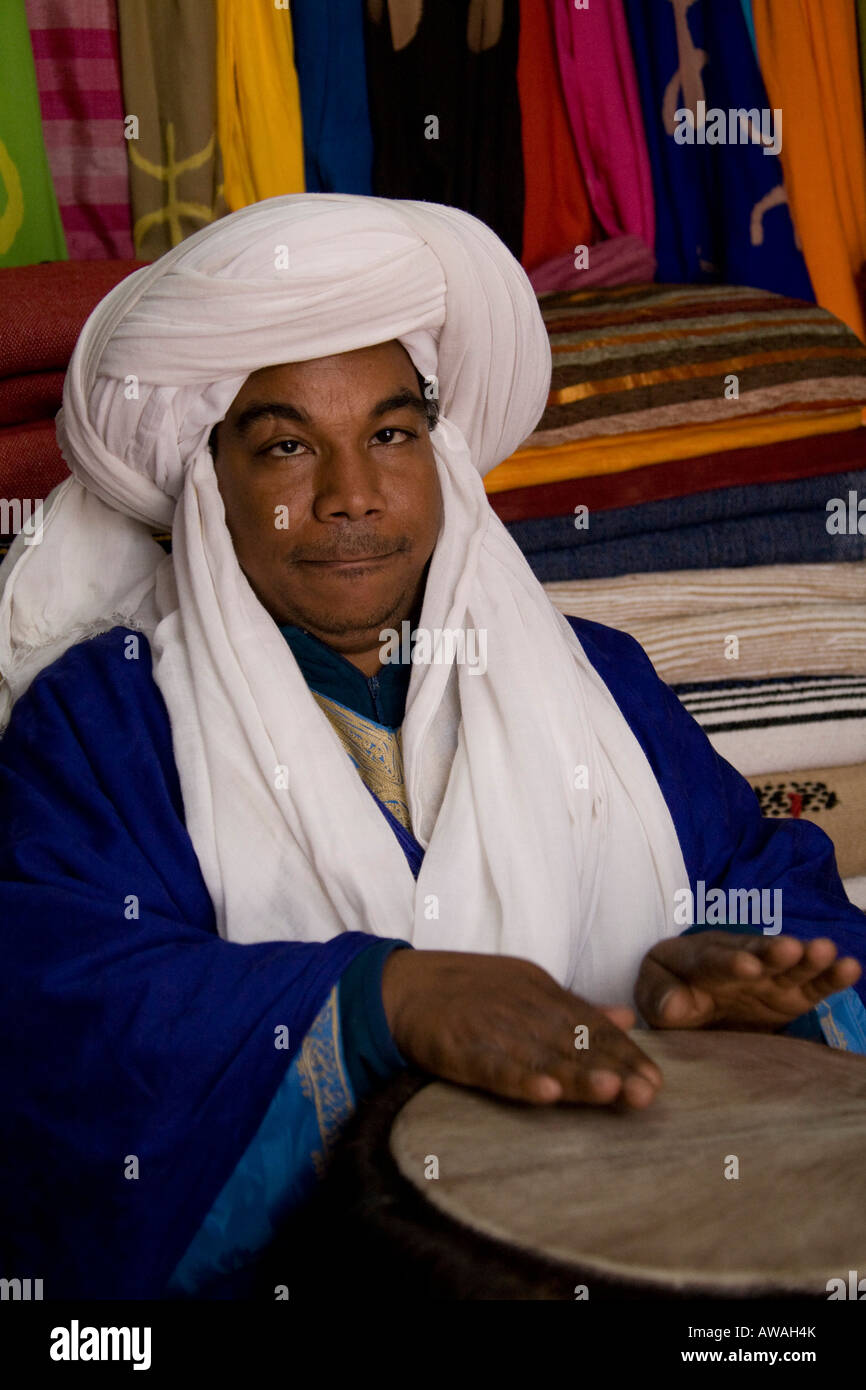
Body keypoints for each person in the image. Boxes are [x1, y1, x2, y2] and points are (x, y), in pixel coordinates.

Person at [0, 195, 863, 1302]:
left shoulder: (596, 677)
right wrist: (376, 1000)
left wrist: (748, 977)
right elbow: (53, 1003)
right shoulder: (108, 719)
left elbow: (765, 879)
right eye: (285, 446)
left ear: (441, 455)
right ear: (208, 485)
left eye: (391, 434)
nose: (352, 495)